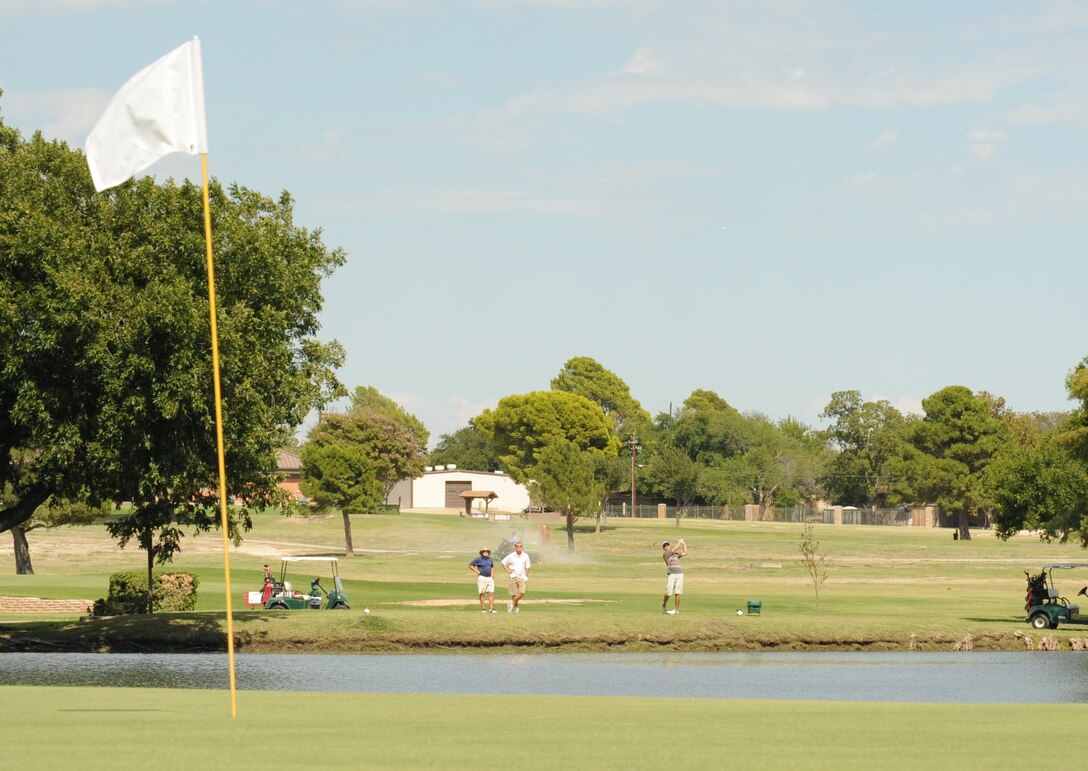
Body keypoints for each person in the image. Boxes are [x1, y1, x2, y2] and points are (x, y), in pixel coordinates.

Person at [501, 541, 531, 613]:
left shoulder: (525, 555)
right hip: (513, 576)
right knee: (514, 594)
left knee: (522, 592)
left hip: (521, 577)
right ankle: (516, 608)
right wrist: (508, 570)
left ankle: (511, 604)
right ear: (515, 547)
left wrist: (526, 576)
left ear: (522, 547)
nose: (519, 547)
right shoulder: (511, 555)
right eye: (517, 546)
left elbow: (527, 567)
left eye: (520, 546)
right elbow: (503, 562)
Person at [661, 539, 687, 614]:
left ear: (669, 545)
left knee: (678, 592)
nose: (666, 546)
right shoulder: (666, 554)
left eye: (667, 545)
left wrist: (684, 543)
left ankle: (676, 610)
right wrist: (680, 542)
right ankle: (664, 604)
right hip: (671, 574)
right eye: (664, 546)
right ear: (664, 548)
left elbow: (685, 552)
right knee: (669, 592)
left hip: (680, 574)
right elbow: (676, 548)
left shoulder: (675, 554)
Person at [468, 548, 498, 613]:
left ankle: (491, 608)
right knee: (482, 593)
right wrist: (477, 571)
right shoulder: (479, 559)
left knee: (491, 593)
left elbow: (492, 566)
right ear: (482, 552)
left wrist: (492, 573)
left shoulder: (490, 559)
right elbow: (470, 565)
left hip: (489, 578)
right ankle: (483, 608)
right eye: (484, 551)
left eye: (487, 551)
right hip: (482, 577)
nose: (486, 552)